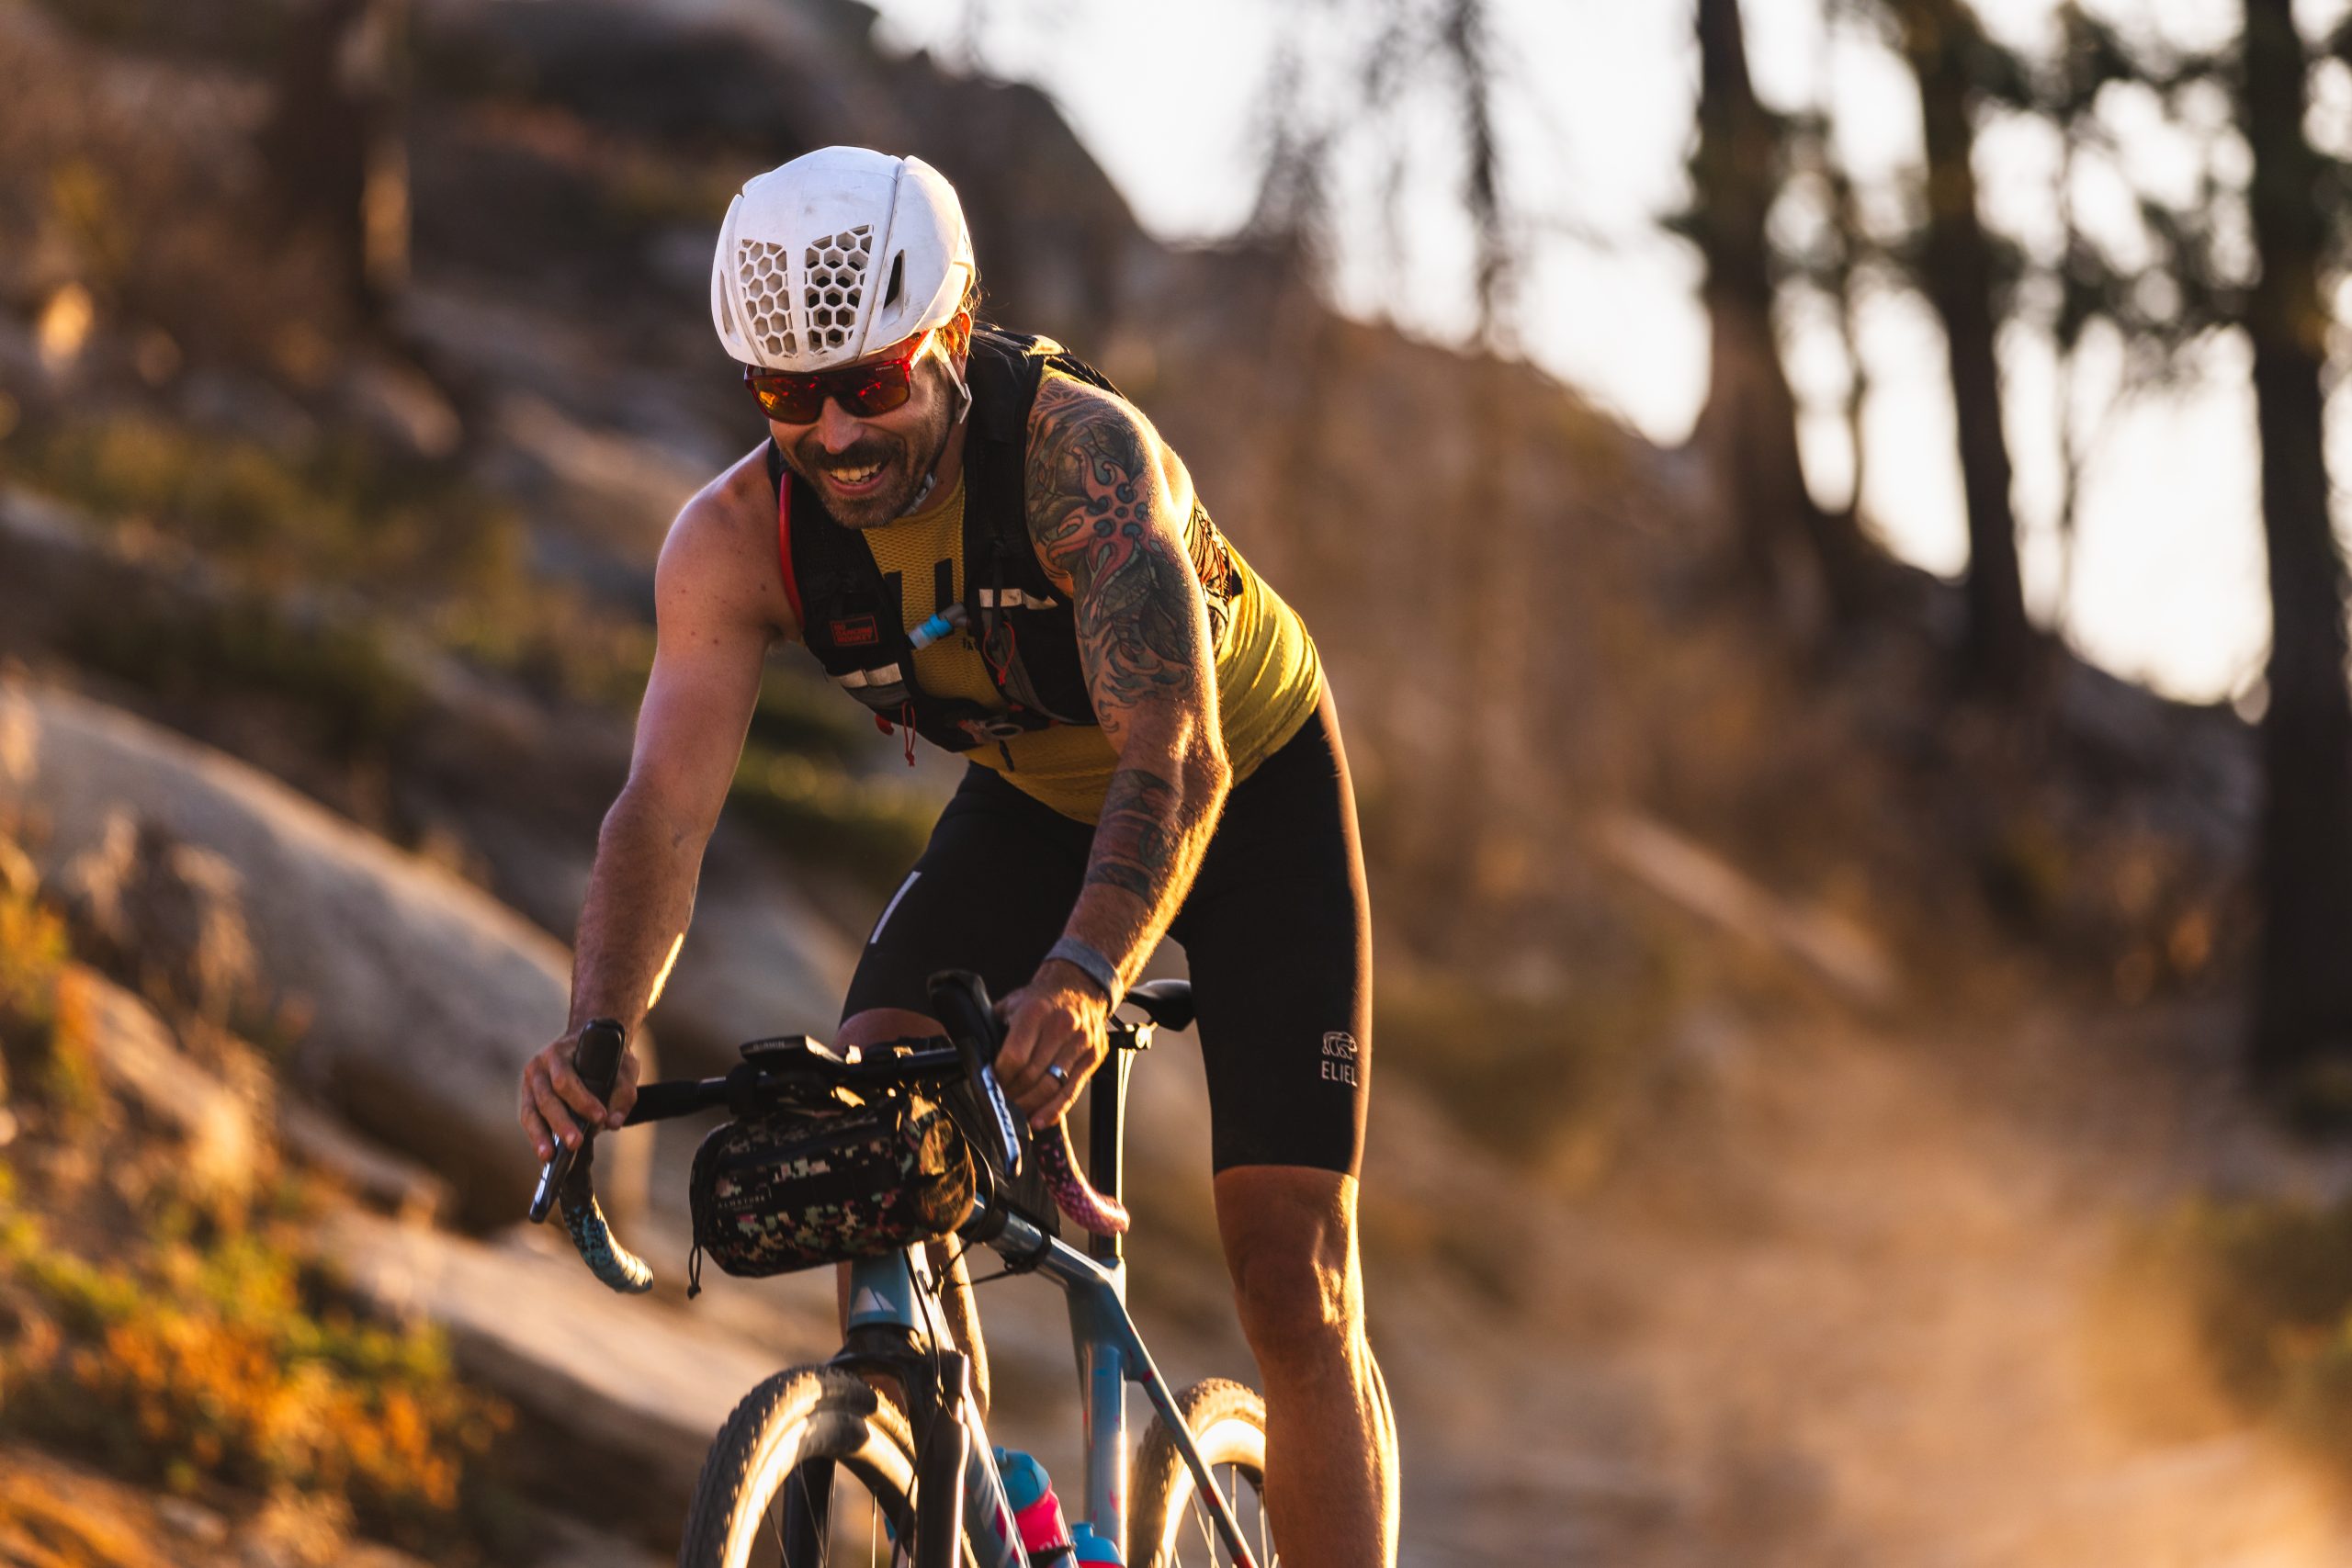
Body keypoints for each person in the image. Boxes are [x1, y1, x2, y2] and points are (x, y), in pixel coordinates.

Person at [516, 146, 1397, 1565]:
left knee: (1291, 1275)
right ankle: (971, 1489)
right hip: (1036, 801)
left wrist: (1081, 975)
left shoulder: (1079, 462)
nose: (836, 435)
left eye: (871, 384)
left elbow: (1177, 759)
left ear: (956, 329)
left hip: (1245, 786)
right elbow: (660, 811)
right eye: (788, 397)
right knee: (872, 1088)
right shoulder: (735, 541)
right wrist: (603, 1023)